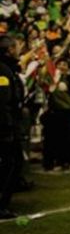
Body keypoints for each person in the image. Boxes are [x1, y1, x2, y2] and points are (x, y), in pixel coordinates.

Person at [0, 35, 25, 219]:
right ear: (9, 50)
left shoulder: (9, 69)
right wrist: (7, 128)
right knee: (9, 164)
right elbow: (3, 102)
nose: (19, 50)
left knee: (13, 163)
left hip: (9, 124)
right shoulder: (3, 71)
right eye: (17, 47)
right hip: (5, 127)